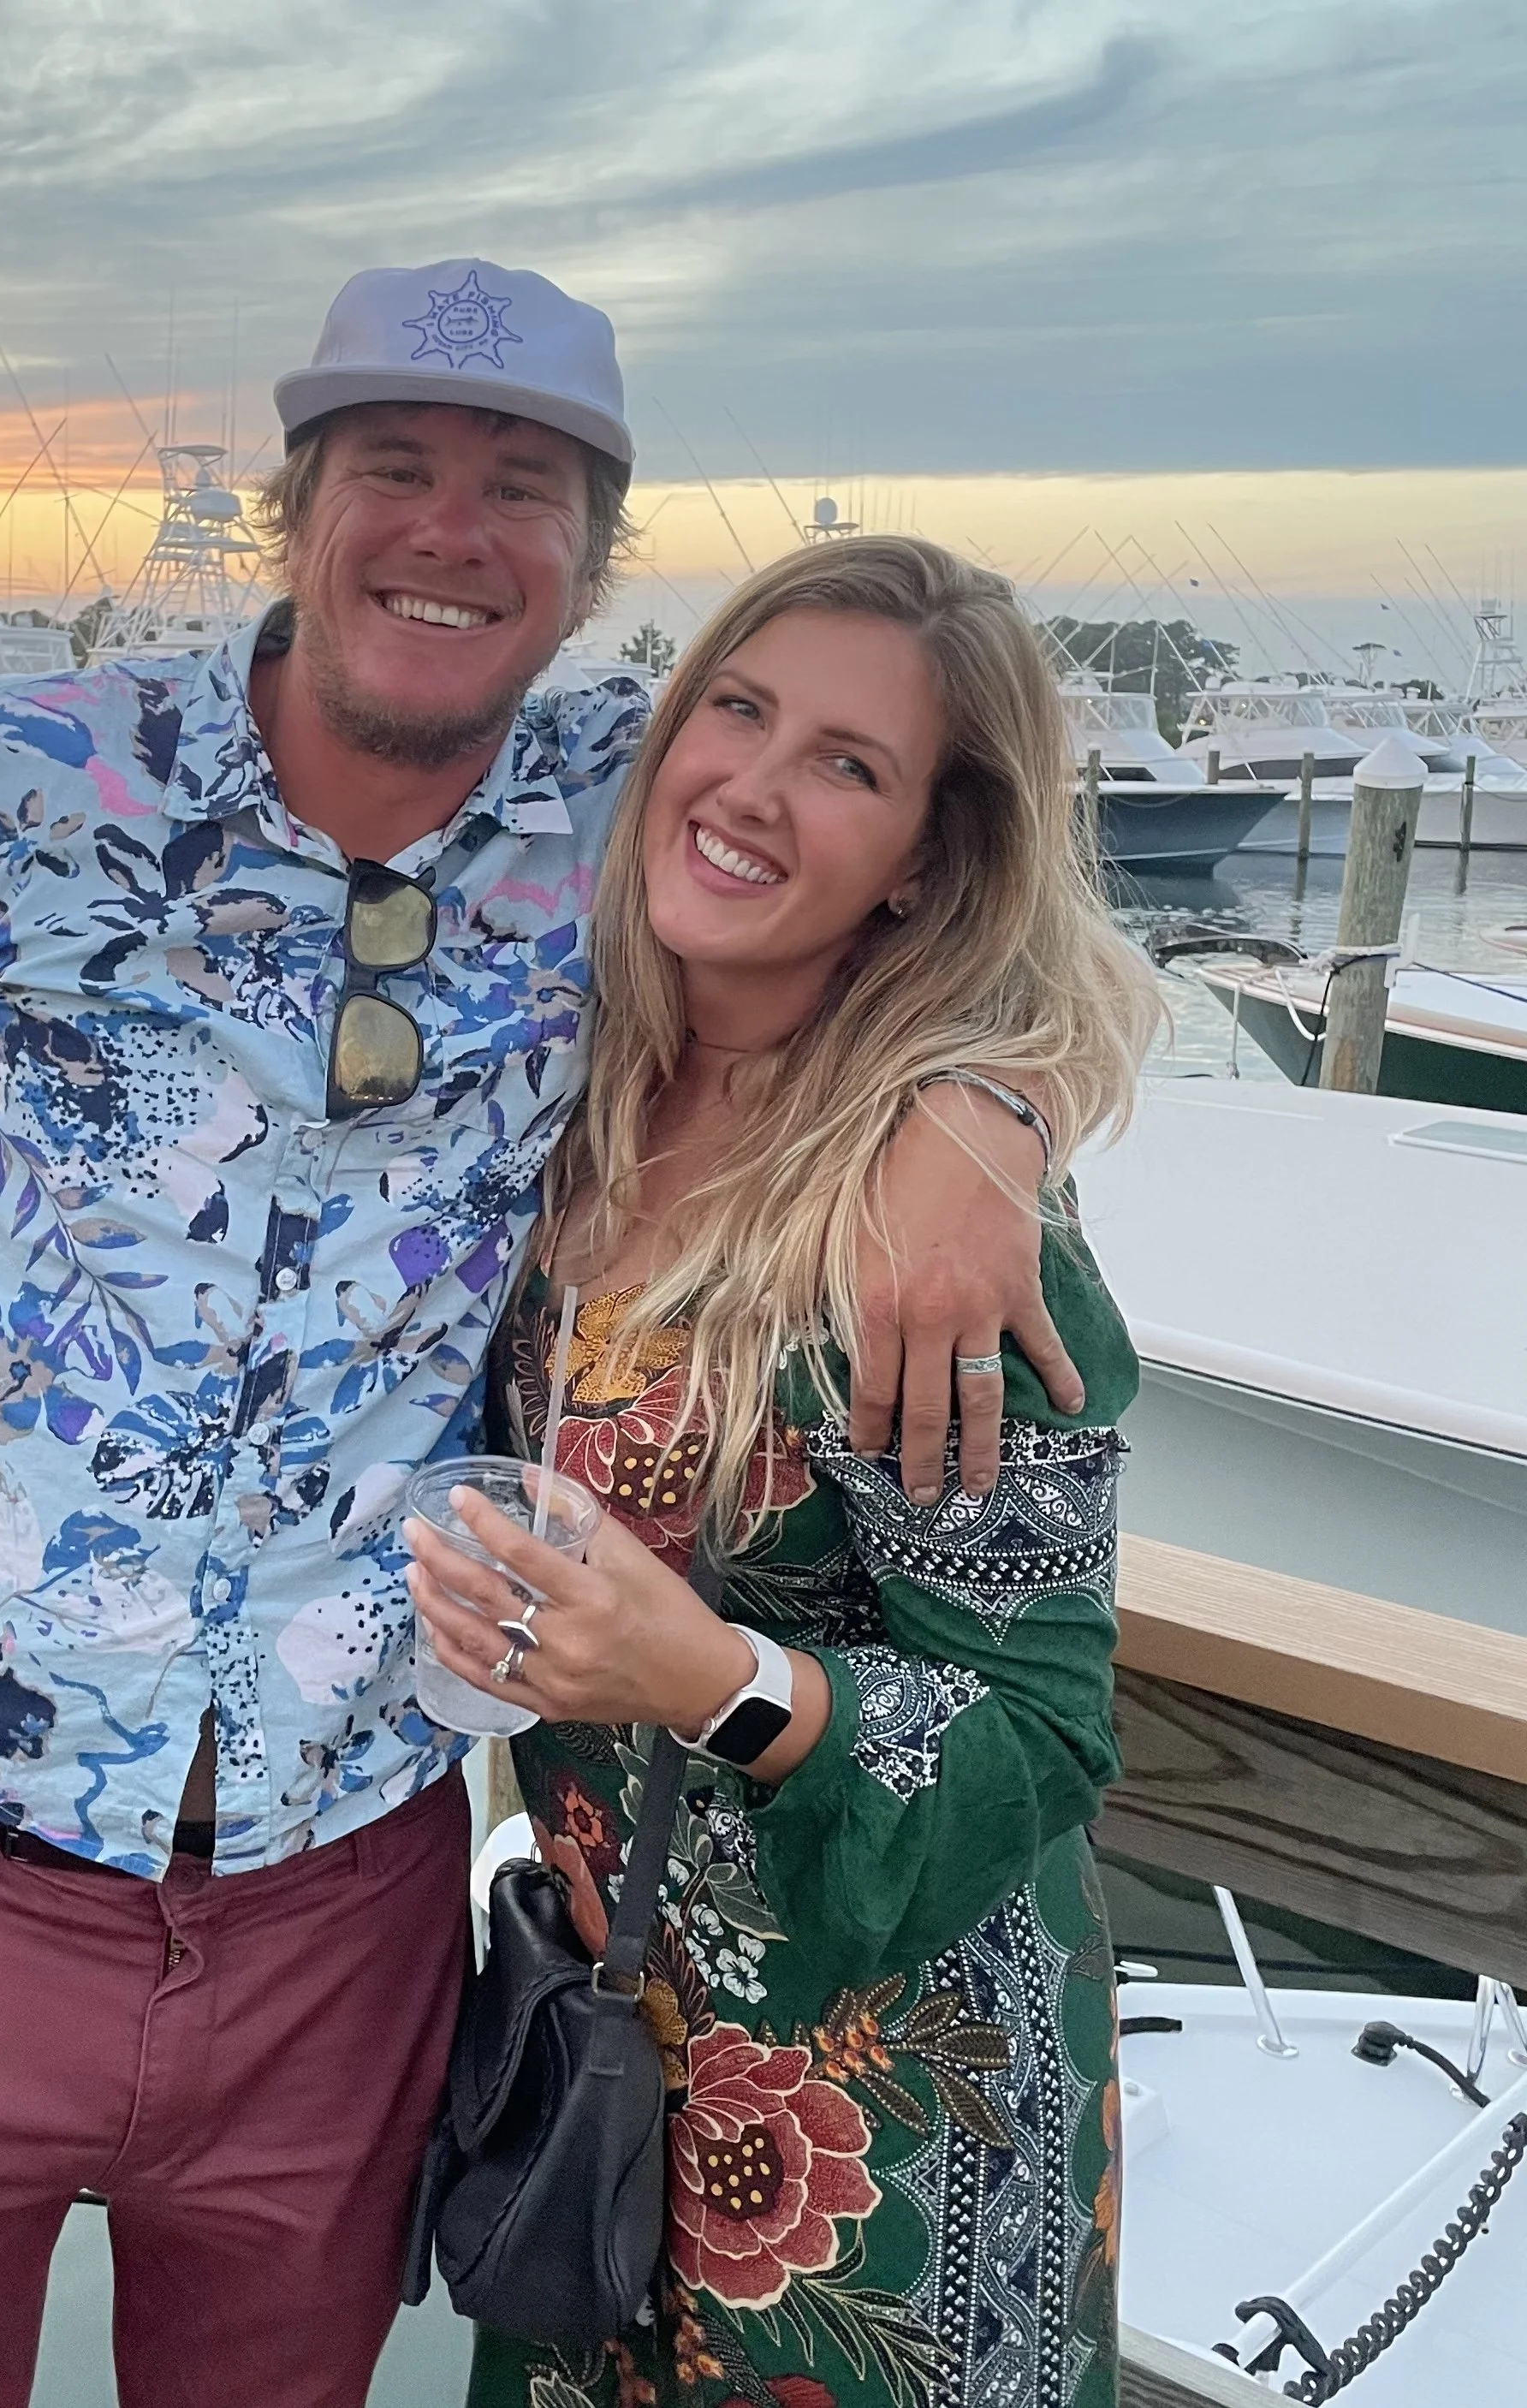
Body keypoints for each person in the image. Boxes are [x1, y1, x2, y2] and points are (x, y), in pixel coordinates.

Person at [0, 261, 1081, 2408]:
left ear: (593, 562)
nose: (451, 529)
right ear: (292, 506)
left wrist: (989, 1101)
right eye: (394, 467)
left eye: (524, 487)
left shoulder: (647, 811)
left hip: (349, 1889)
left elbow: (982, 887)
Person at [405, 535, 1160, 2407]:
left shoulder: (941, 1224)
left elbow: (1042, 1729)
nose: (751, 782)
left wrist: (717, 1681)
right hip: (602, 2064)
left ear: (924, 856)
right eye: (734, 709)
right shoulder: (575, 1102)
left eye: (849, 761)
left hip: (898, 2116)